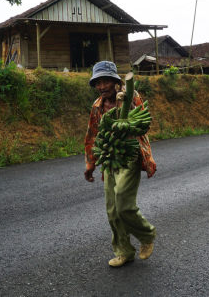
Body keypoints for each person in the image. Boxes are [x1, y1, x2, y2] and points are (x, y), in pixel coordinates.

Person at [84, 61, 157, 267]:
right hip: (109, 157)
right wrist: (90, 163)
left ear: (116, 82)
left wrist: (126, 105)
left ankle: (146, 235)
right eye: (98, 82)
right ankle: (124, 251)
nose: (102, 86)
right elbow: (92, 135)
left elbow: (143, 124)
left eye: (106, 81)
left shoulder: (130, 96)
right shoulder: (97, 106)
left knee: (124, 204)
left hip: (130, 155)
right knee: (112, 210)